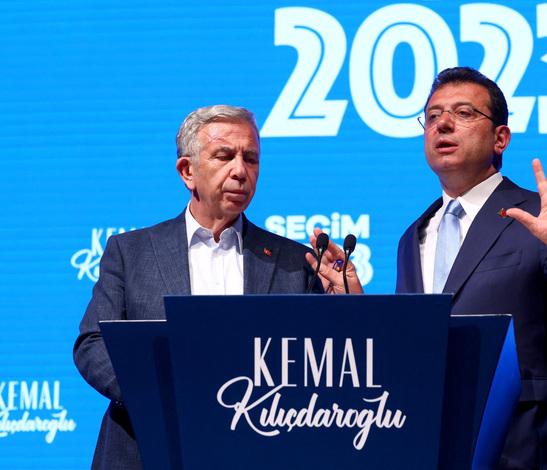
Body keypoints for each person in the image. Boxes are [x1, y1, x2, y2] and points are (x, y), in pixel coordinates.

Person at [73, 105, 356, 469]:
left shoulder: (294, 260)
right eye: (224, 156)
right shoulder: (131, 252)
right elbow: (93, 344)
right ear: (187, 171)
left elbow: (326, 365)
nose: (240, 171)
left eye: (250, 159)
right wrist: (162, 397)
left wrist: (347, 308)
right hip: (147, 449)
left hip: (260, 451)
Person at [394, 67, 547, 469]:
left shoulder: (539, 217)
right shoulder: (414, 237)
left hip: (529, 454)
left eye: (463, 113)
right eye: (432, 116)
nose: (442, 123)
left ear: (501, 138)